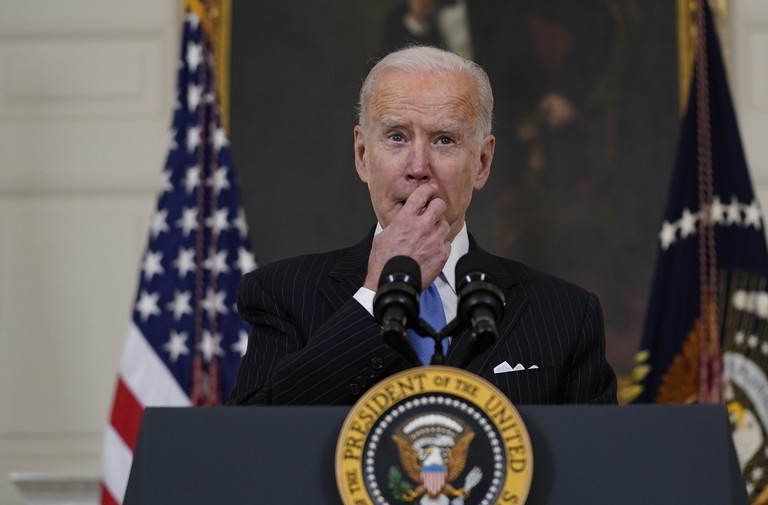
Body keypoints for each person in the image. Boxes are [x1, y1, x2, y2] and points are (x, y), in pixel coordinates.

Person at [228, 46, 617, 406]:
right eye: (397, 137)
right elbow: (255, 444)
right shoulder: (284, 294)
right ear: (363, 155)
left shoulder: (566, 315)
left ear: (482, 162)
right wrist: (374, 294)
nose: (418, 167)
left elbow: (595, 467)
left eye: (444, 140)